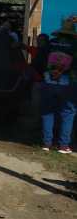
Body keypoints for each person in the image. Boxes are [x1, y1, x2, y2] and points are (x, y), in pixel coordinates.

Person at [40, 17, 77, 154]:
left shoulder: (51, 44)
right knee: (68, 113)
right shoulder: (75, 45)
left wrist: (51, 72)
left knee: (47, 112)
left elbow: (40, 60)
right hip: (68, 83)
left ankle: (46, 143)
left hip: (49, 82)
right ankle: (63, 145)